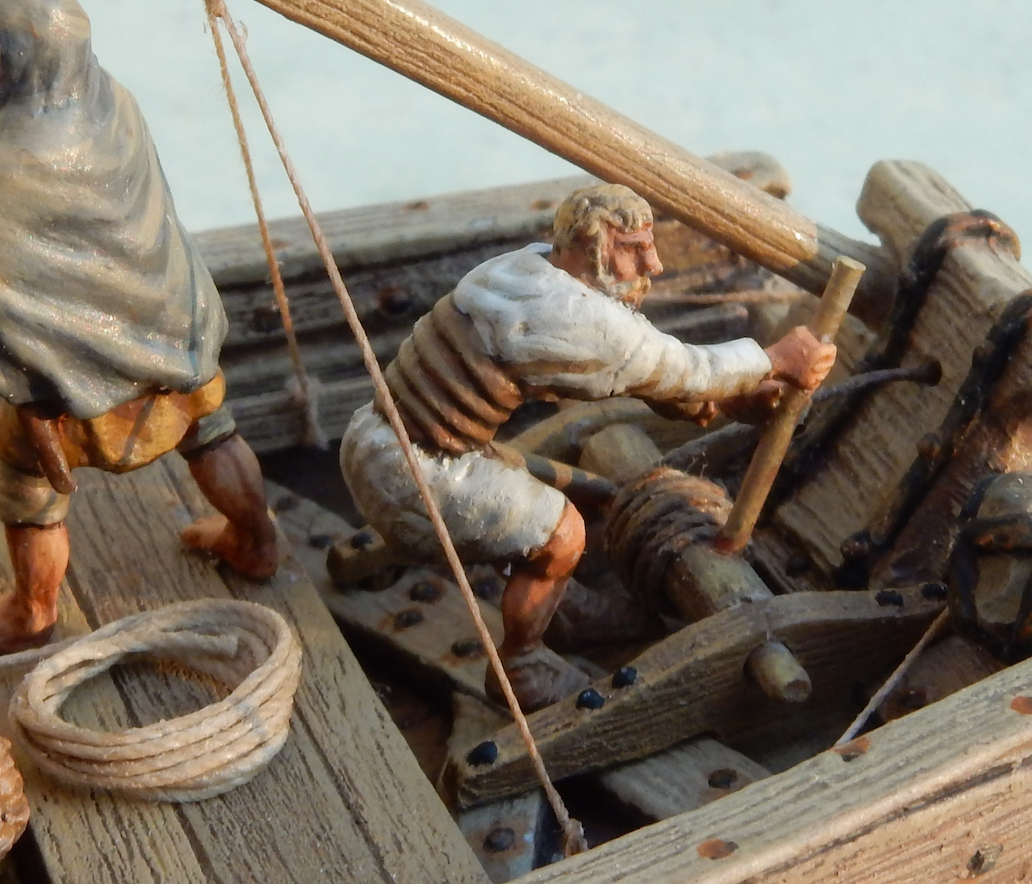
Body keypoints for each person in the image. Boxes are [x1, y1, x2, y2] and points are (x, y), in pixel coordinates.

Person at [0, 0, 277, 653]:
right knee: (209, 430)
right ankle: (255, 537)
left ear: (30, 54)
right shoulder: (115, 104)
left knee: (24, 490)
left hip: (74, 384)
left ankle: (32, 612)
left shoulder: (5, 157)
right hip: (170, 339)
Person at [340, 182, 835, 709]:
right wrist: (776, 358)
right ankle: (522, 666)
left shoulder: (524, 269)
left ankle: (564, 610)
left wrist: (719, 398)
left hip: (371, 439)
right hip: (413, 479)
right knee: (563, 535)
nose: (656, 264)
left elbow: (642, 375)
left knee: (556, 484)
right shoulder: (573, 317)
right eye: (633, 249)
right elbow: (682, 369)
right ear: (590, 249)